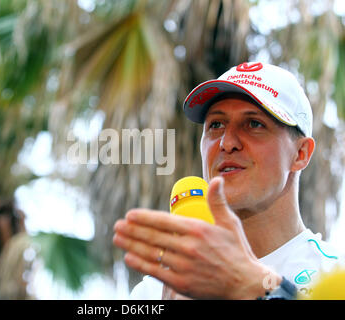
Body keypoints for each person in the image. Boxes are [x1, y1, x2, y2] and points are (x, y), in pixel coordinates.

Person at [112, 62, 342, 300]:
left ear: (300, 153)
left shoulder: (336, 273)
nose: (227, 142)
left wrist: (255, 289)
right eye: (216, 125)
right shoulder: (152, 292)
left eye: (254, 124)